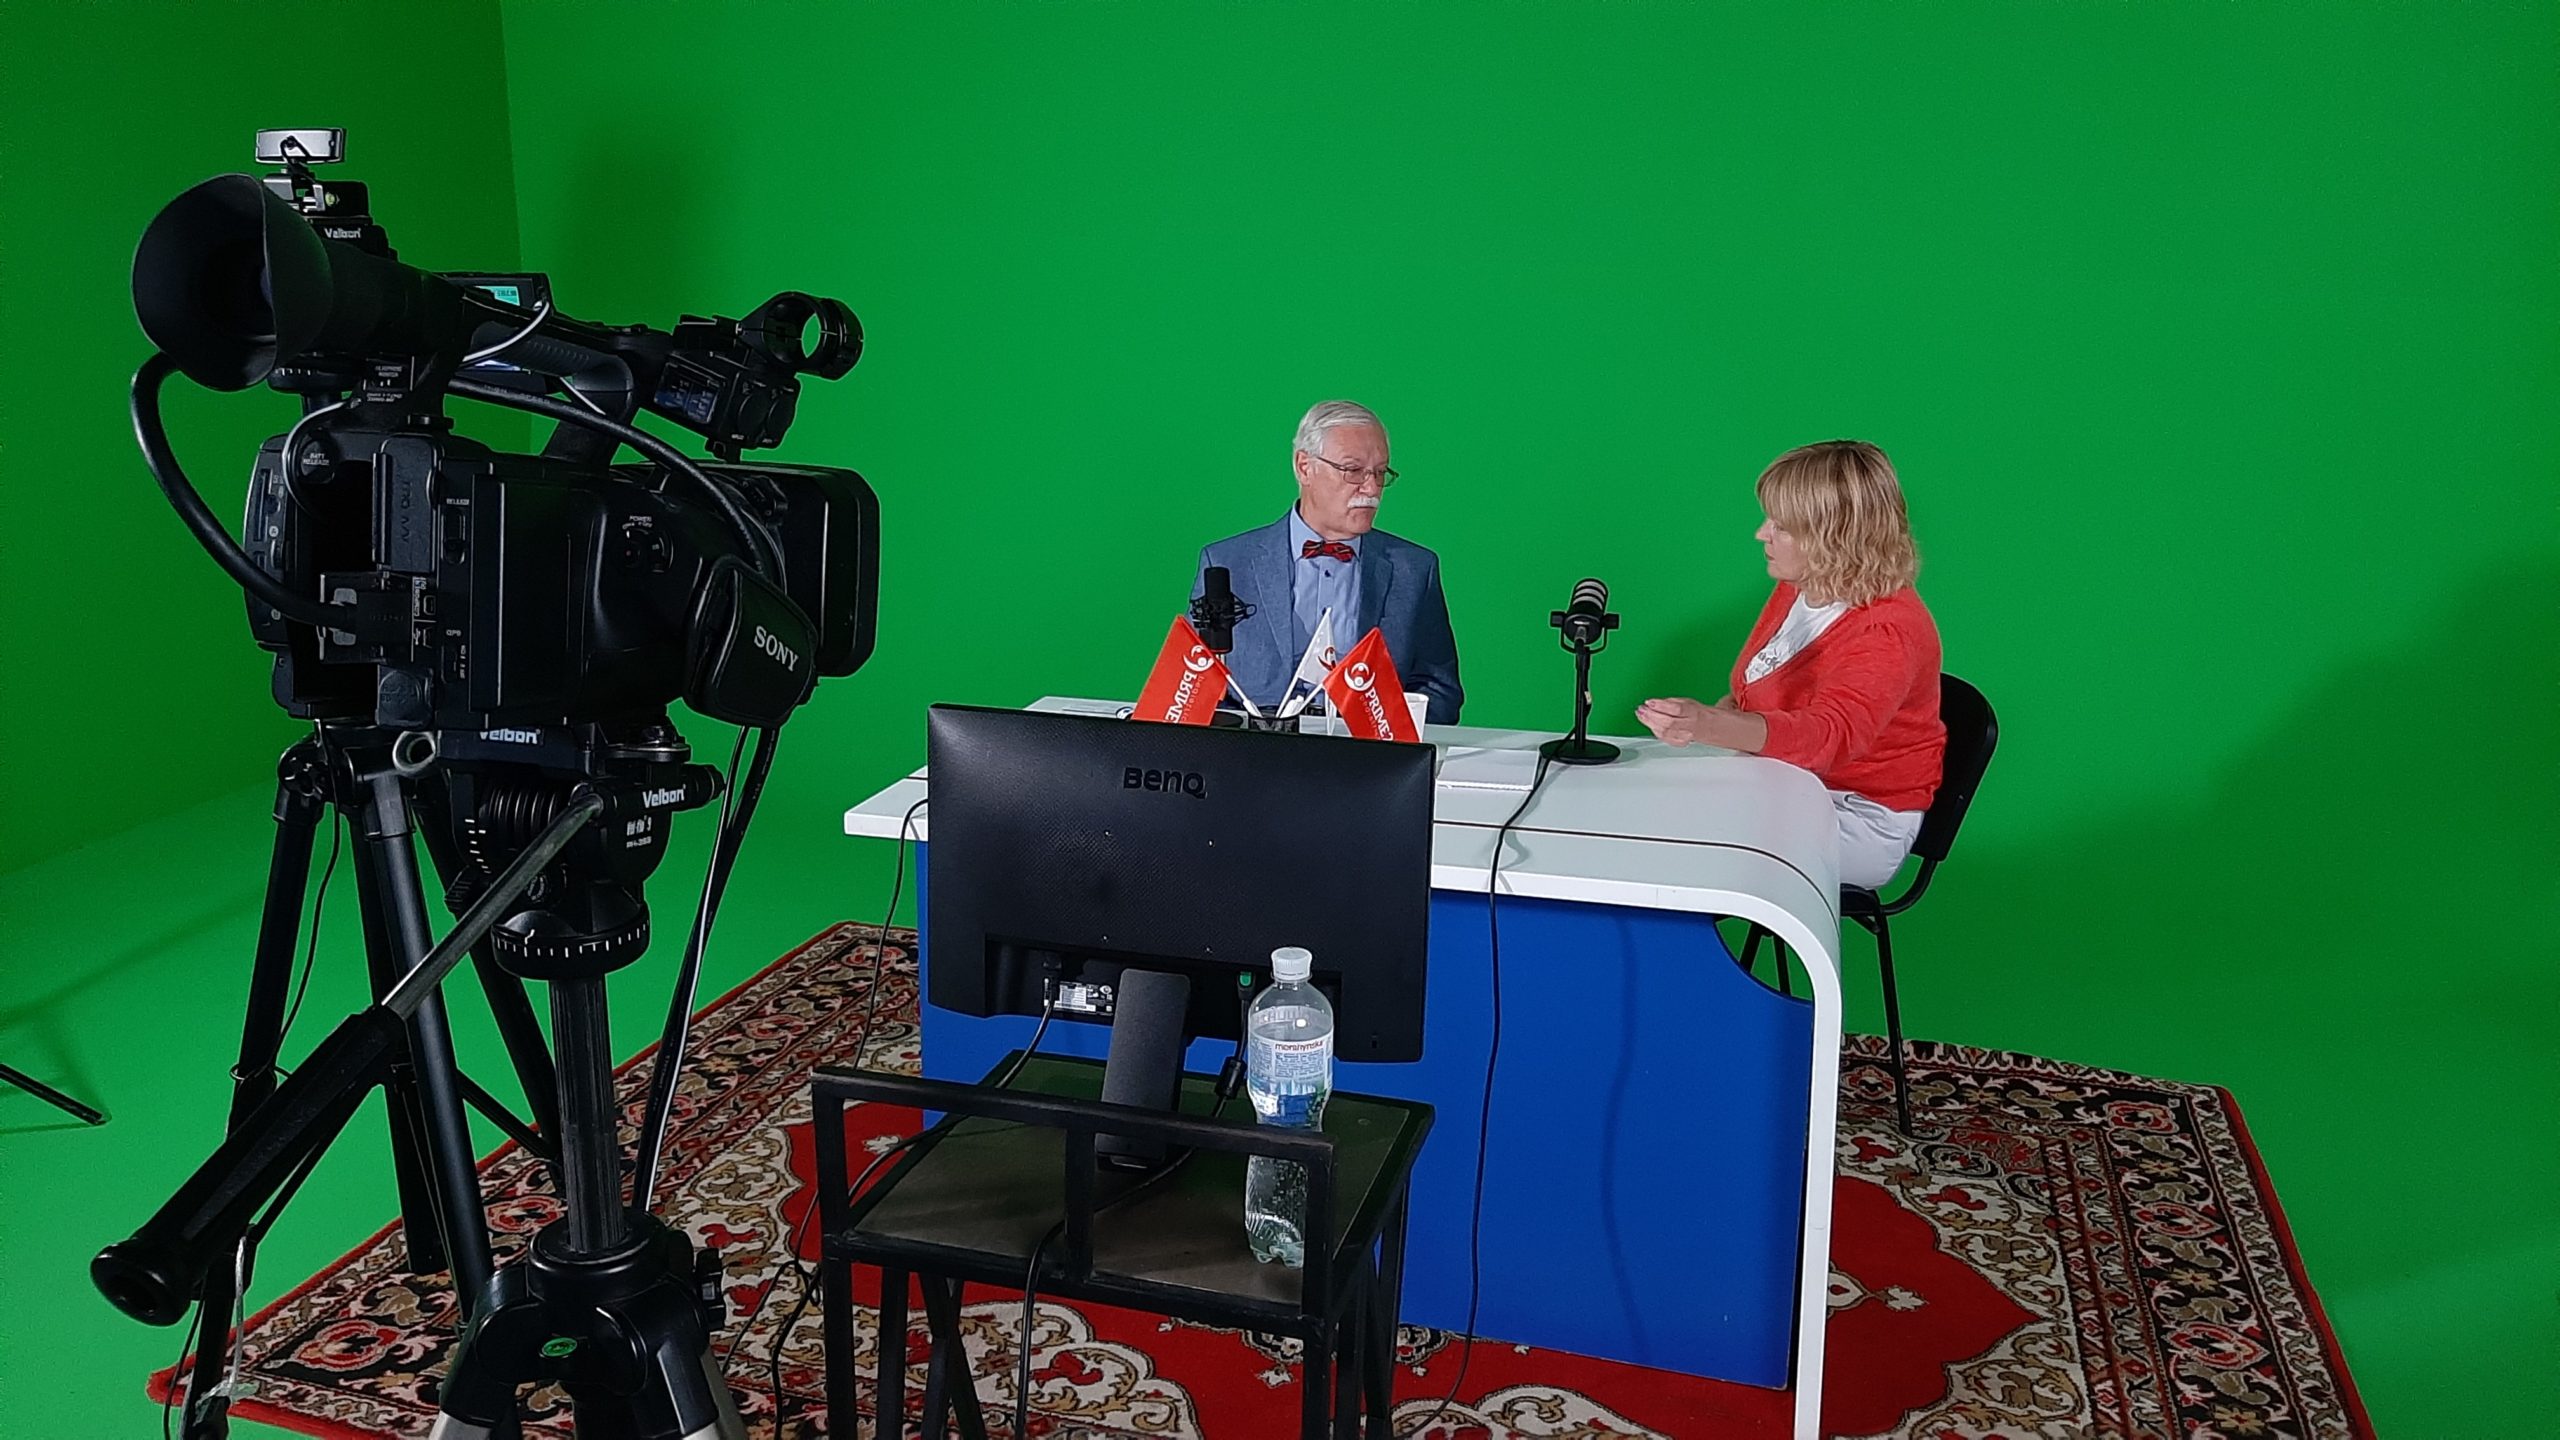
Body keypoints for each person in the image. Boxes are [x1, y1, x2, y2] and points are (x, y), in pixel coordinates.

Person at [1635, 440, 1945, 890]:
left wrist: (1709, 726)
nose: (1761, 534)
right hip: (1783, 779)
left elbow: (1828, 738)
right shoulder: (1801, 584)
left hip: (1854, 813)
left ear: (1831, 537)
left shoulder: (1888, 631)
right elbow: (1753, 691)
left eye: (1781, 527)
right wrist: (1715, 720)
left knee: (1674, 836)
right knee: (1641, 799)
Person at [1192, 400, 1463, 721]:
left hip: (1366, 748)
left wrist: (1392, 731)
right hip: (1254, 747)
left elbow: (1439, 688)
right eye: (1353, 470)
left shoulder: (1414, 570)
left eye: (1380, 473)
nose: (1371, 488)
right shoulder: (1227, 563)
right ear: (1304, 467)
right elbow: (1197, 684)